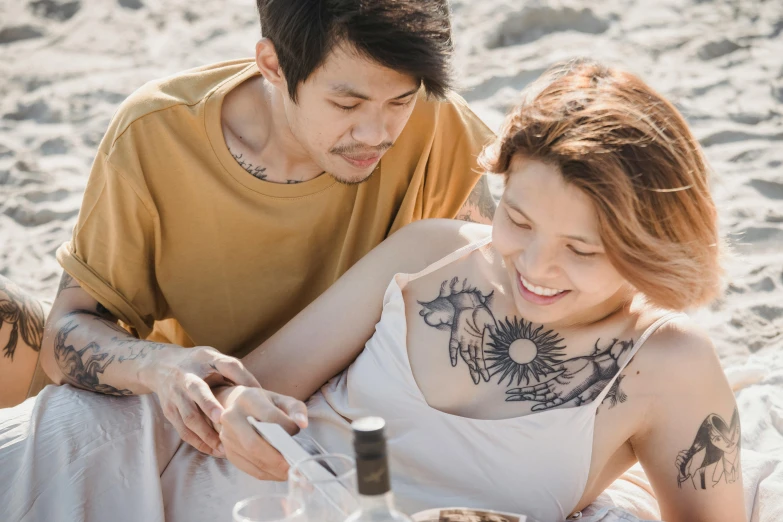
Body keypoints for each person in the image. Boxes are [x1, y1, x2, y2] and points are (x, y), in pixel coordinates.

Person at [0, 60, 745, 522]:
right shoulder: (431, 253)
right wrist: (237, 409)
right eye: (516, 219)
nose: (536, 266)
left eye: (583, 249)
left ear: (649, 242)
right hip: (214, 494)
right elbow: (257, 381)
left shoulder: (669, 368)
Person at [0, 0, 495, 456]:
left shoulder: (441, 125)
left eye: (399, 102)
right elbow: (67, 331)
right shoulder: (157, 135)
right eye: (347, 106)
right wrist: (163, 367)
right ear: (273, 65)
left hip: (341, 426)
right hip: (187, 411)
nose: (377, 134)